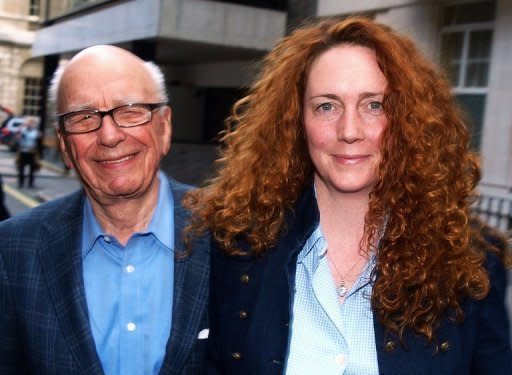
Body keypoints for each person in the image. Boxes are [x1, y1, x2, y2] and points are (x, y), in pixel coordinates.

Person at [185, 16, 512, 374]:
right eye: (327, 106)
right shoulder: (237, 246)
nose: (349, 131)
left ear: (405, 119)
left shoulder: (471, 263)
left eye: (374, 105)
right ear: (296, 120)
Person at [0, 45, 209, 374]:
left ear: (164, 127)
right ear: (66, 145)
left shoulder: (236, 231)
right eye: (83, 118)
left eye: (130, 111)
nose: (109, 136)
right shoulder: (12, 248)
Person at [16, 116, 41, 188]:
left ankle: (31, 183)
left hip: (32, 153)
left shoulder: (36, 132)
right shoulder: (22, 130)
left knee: (32, 169)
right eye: (29, 122)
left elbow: (38, 142)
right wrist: (19, 134)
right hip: (23, 152)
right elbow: (17, 140)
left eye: (32, 123)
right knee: (21, 168)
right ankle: (21, 183)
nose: (30, 124)